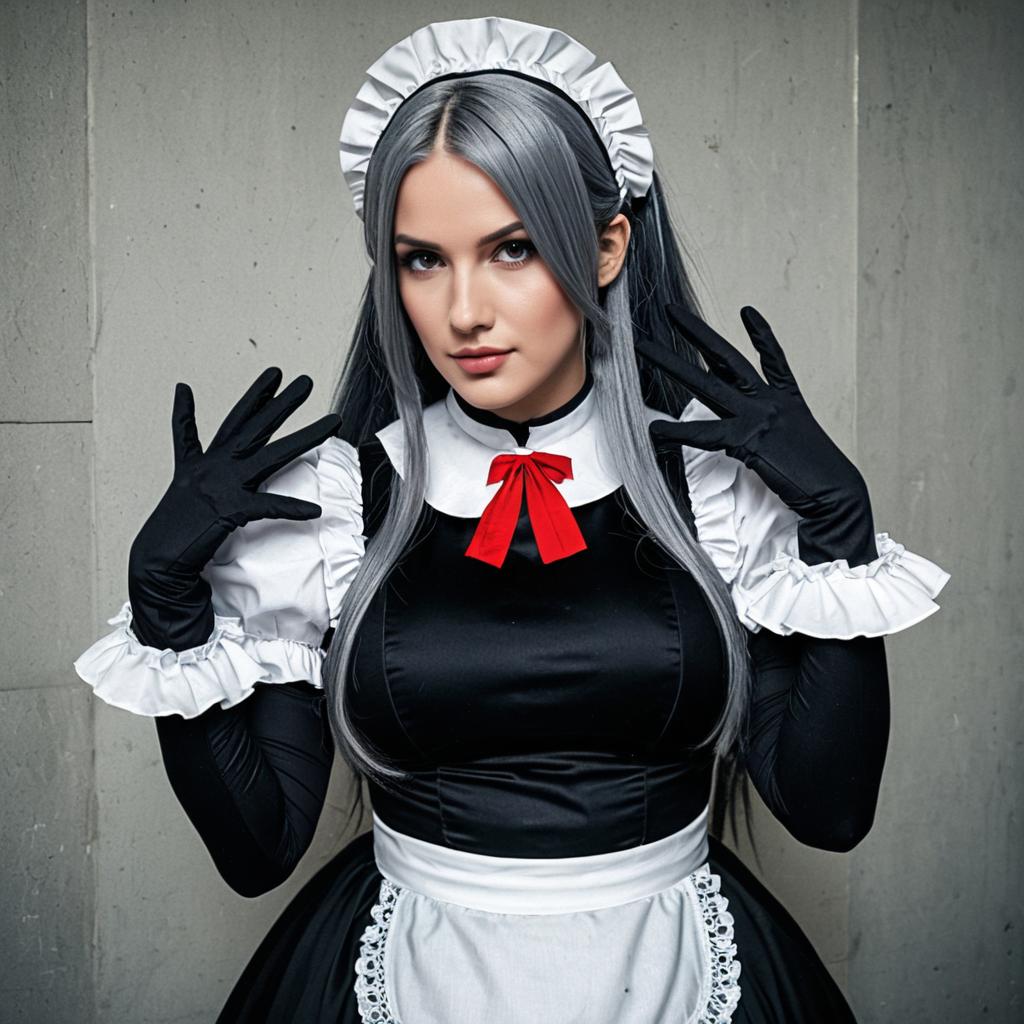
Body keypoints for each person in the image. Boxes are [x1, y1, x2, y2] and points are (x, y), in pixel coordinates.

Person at [74, 15, 952, 1023]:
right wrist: (170, 606)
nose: (462, 312)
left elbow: (829, 811)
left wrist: (838, 531)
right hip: (402, 965)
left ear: (608, 244)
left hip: (687, 967)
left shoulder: (710, 486)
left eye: (512, 249)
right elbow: (256, 849)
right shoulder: (332, 500)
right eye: (421, 260)